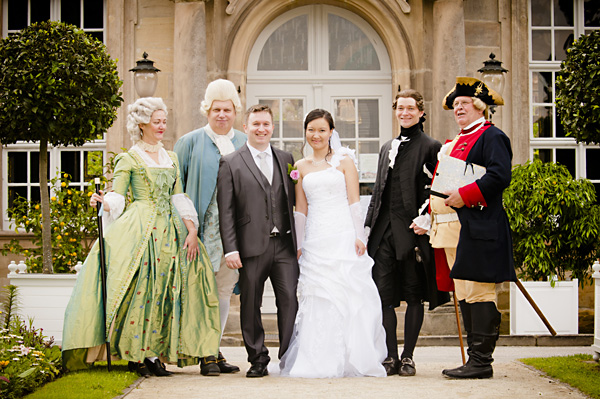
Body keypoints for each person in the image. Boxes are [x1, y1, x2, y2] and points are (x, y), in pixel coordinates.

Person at [62, 97, 221, 377]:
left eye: (164, 121)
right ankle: (138, 355)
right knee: (142, 291)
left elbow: (178, 196)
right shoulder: (130, 158)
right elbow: (119, 195)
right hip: (141, 229)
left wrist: (192, 230)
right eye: (157, 122)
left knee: (167, 290)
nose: (162, 126)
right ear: (142, 124)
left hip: (172, 230)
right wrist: (103, 202)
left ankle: (157, 353)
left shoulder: (170, 157)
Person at [278, 109, 387, 378]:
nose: (316, 135)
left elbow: (353, 199)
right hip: (316, 237)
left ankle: (351, 358)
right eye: (311, 129)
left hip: (342, 235)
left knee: (348, 292)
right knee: (317, 295)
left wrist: (359, 236)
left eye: (322, 130)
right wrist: (299, 243)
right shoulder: (300, 167)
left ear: (331, 132)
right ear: (305, 132)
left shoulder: (344, 161)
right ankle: (317, 357)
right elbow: (301, 209)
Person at [431, 77, 517, 379]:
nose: (458, 109)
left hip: (480, 226)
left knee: (480, 292)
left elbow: (499, 176)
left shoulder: (491, 136)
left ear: (480, 107)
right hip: (457, 229)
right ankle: (474, 359)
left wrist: (465, 195)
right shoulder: (458, 140)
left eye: (464, 104)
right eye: (455, 105)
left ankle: (482, 361)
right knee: (465, 293)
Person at [365, 90, 450, 377]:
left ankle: (408, 356)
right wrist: (368, 226)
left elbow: (437, 186)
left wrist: (425, 217)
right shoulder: (386, 147)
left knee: (414, 295)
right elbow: (378, 191)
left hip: (413, 233)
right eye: (400, 108)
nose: (405, 113)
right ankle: (390, 356)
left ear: (421, 112)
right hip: (384, 233)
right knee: (385, 296)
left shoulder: (431, 146)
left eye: (410, 108)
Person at [216, 104, 298, 378]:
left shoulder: (286, 158)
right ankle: (258, 358)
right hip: (250, 247)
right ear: (246, 127)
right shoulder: (230, 162)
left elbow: (293, 202)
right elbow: (226, 210)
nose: (261, 129)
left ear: (272, 127)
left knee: (289, 300)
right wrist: (231, 249)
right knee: (251, 303)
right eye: (256, 124)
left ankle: (287, 356)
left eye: (266, 124)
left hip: (284, 245)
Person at [174, 79, 246, 375]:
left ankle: (214, 350)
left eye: (227, 110)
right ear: (207, 110)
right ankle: (204, 353)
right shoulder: (189, 142)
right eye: (216, 109)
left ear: (234, 111)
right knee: (201, 293)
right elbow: (176, 189)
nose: (221, 115)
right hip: (201, 233)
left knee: (224, 292)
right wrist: (186, 230)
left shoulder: (244, 142)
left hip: (233, 235)